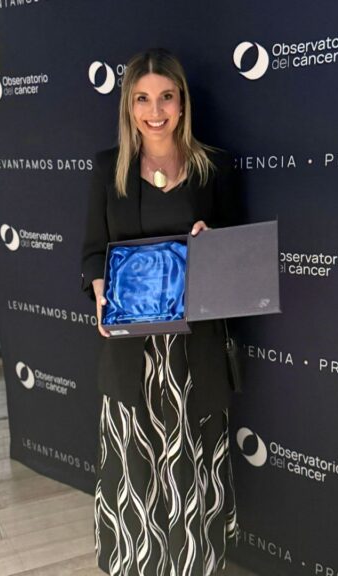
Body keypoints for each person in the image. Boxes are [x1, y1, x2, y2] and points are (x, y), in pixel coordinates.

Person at [80, 49, 241, 575]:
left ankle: (196, 562)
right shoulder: (110, 168)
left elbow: (238, 257)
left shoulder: (210, 166)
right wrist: (100, 290)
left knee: (193, 466)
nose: (155, 111)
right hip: (132, 348)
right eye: (143, 98)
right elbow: (91, 251)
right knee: (135, 466)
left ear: (181, 102)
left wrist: (213, 243)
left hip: (193, 349)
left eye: (166, 97)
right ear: (128, 105)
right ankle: (135, 561)